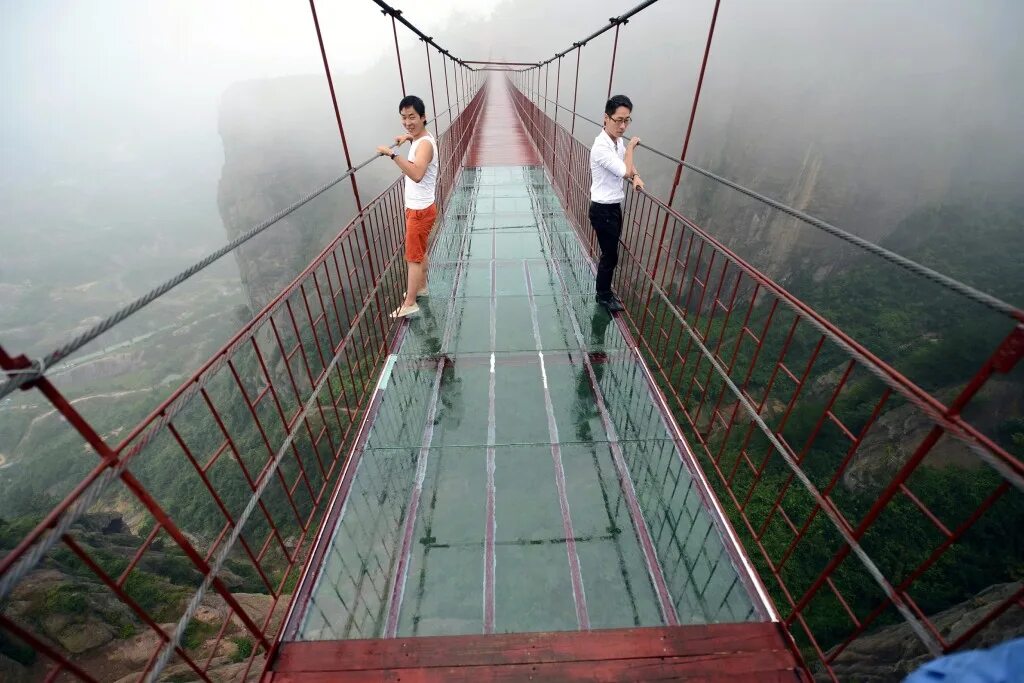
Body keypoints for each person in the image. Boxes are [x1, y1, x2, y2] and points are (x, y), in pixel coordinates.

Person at [377, 95, 438, 318]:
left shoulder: (424, 146)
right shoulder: (422, 138)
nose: (407, 122)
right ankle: (421, 288)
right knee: (419, 252)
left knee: (413, 257)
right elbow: (419, 144)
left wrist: (393, 154)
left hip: (420, 210)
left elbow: (417, 173)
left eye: (412, 117)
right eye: (404, 118)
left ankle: (410, 303)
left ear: (423, 117)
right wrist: (408, 137)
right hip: (423, 207)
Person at [589, 94, 644, 313]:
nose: (622, 126)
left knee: (611, 253)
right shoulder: (601, 147)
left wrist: (636, 177)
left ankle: (605, 293)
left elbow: (629, 168)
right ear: (606, 118)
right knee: (609, 255)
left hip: (613, 207)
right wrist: (631, 148)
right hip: (602, 210)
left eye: (627, 120)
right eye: (618, 120)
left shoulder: (616, 141)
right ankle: (603, 296)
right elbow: (625, 170)